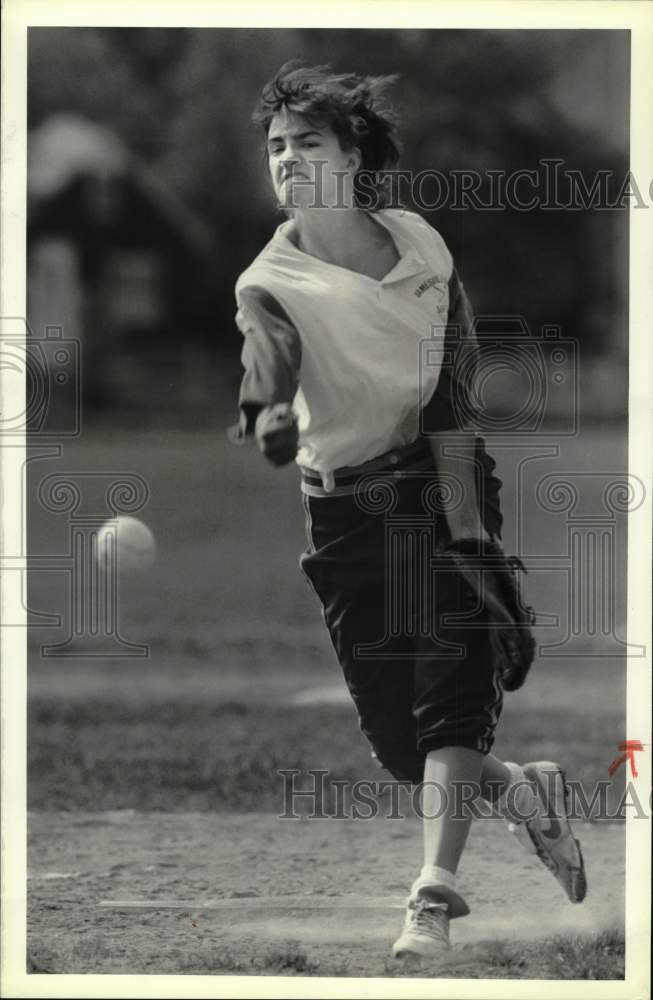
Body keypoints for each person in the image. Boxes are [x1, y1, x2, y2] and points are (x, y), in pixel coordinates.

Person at [231, 61, 586, 962]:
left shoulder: (421, 245)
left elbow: (453, 381)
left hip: (438, 485)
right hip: (344, 515)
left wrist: (468, 517)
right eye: (275, 147)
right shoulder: (269, 280)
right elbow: (266, 358)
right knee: (402, 749)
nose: (287, 158)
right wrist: (266, 413)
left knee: (451, 706)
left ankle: (430, 897)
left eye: (307, 141)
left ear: (354, 154)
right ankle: (522, 792)